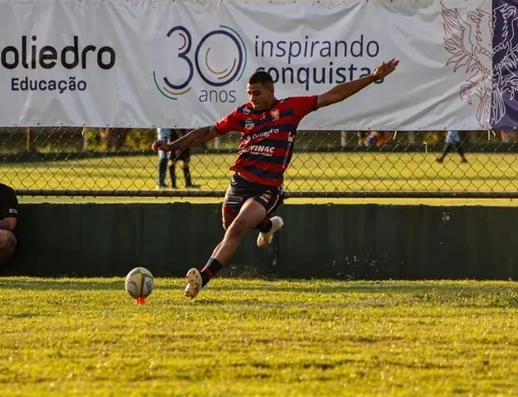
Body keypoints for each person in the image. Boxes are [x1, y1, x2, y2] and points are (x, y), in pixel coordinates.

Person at [152, 59, 400, 298]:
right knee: (230, 228)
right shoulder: (244, 113)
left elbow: (333, 95)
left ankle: (201, 279)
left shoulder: (291, 108)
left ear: (271, 90)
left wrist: (373, 77)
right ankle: (269, 226)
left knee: (237, 228)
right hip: (238, 183)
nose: (252, 99)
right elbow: (208, 131)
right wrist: (172, 145)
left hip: (266, 187)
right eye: (249, 93)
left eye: (257, 93)